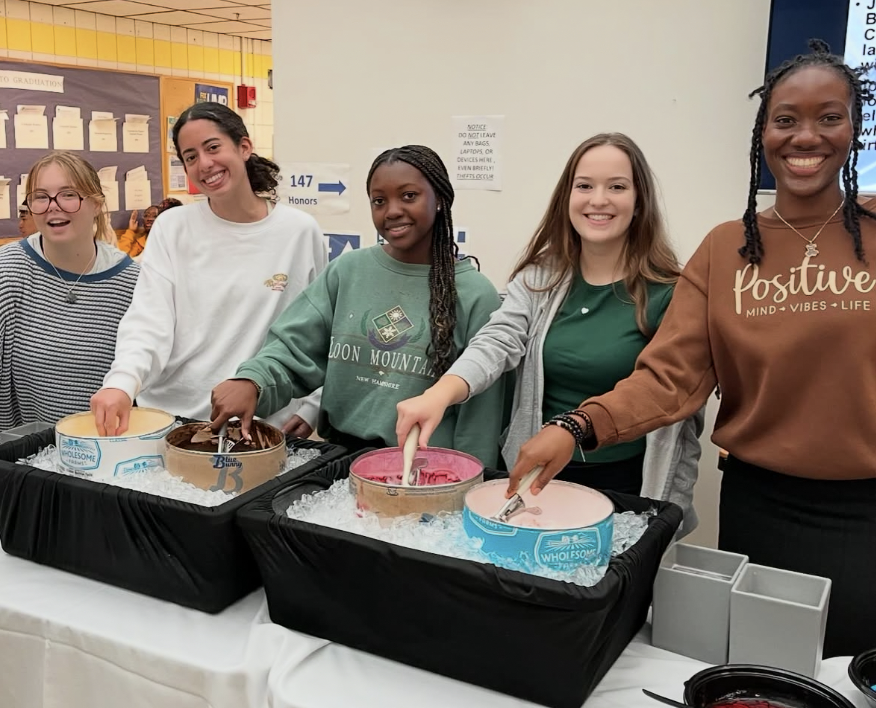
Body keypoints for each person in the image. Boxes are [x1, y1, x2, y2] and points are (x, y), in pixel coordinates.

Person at [503, 41, 876, 658]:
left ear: (854, 127)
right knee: (762, 669)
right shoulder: (725, 249)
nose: (805, 135)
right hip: (760, 503)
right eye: (785, 119)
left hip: (866, 510)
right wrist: (575, 426)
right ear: (762, 133)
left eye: (828, 116)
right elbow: (669, 379)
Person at [395, 134, 703, 533]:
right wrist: (440, 393)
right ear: (567, 197)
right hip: (539, 479)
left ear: (639, 200)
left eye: (617, 186)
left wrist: (668, 516)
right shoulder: (540, 278)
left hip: (630, 486)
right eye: (585, 185)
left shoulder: (671, 292)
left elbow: (673, 397)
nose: (598, 199)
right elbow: (498, 340)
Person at [209, 145, 508, 465]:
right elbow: (292, 348)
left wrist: (469, 482)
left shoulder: (476, 295)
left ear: (440, 200)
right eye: (379, 200)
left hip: (424, 472)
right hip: (338, 459)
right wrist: (253, 381)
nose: (391, 210)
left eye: (408, 196)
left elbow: (481, 420)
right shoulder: (347, 271)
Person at [90, 102, 327, 437]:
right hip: (173, 419)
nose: (204, 164)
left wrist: (314, 402)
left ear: (244, 147)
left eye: (213, 147)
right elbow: (149, 320)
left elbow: (318, 330)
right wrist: (122, 382)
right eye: (190, 156)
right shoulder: (173, 227)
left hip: (262, 423)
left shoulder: (299, 232)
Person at [0, 151, 138, 429]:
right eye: (40, 197)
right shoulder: (8, 271)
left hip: (113, 457)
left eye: (68, 194)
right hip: (28, 460)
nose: (53, 206)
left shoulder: (132, 282)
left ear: (97, 204)